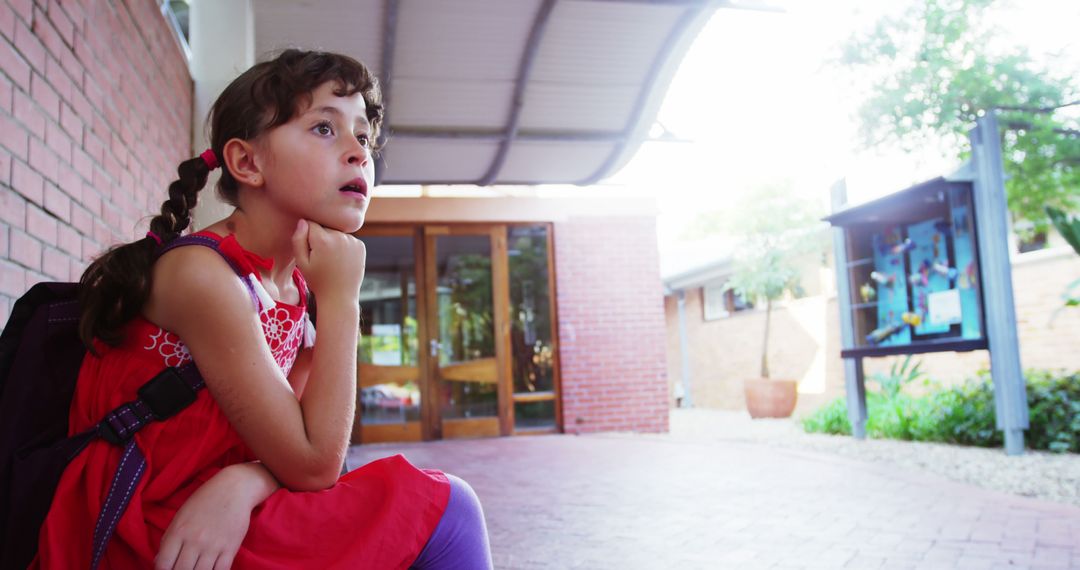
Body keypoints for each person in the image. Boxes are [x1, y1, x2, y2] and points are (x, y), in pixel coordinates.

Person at [32, 49, 493, 570]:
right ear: (247, 163)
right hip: (145, 524)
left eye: (362, 136)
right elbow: (316, 465)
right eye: (324, 128)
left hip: (218, 510)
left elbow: (307, 446)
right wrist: (343, 300)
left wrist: (247, 479)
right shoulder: (203, 277)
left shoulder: (294, 285)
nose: (358, 153)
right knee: (446, 509)